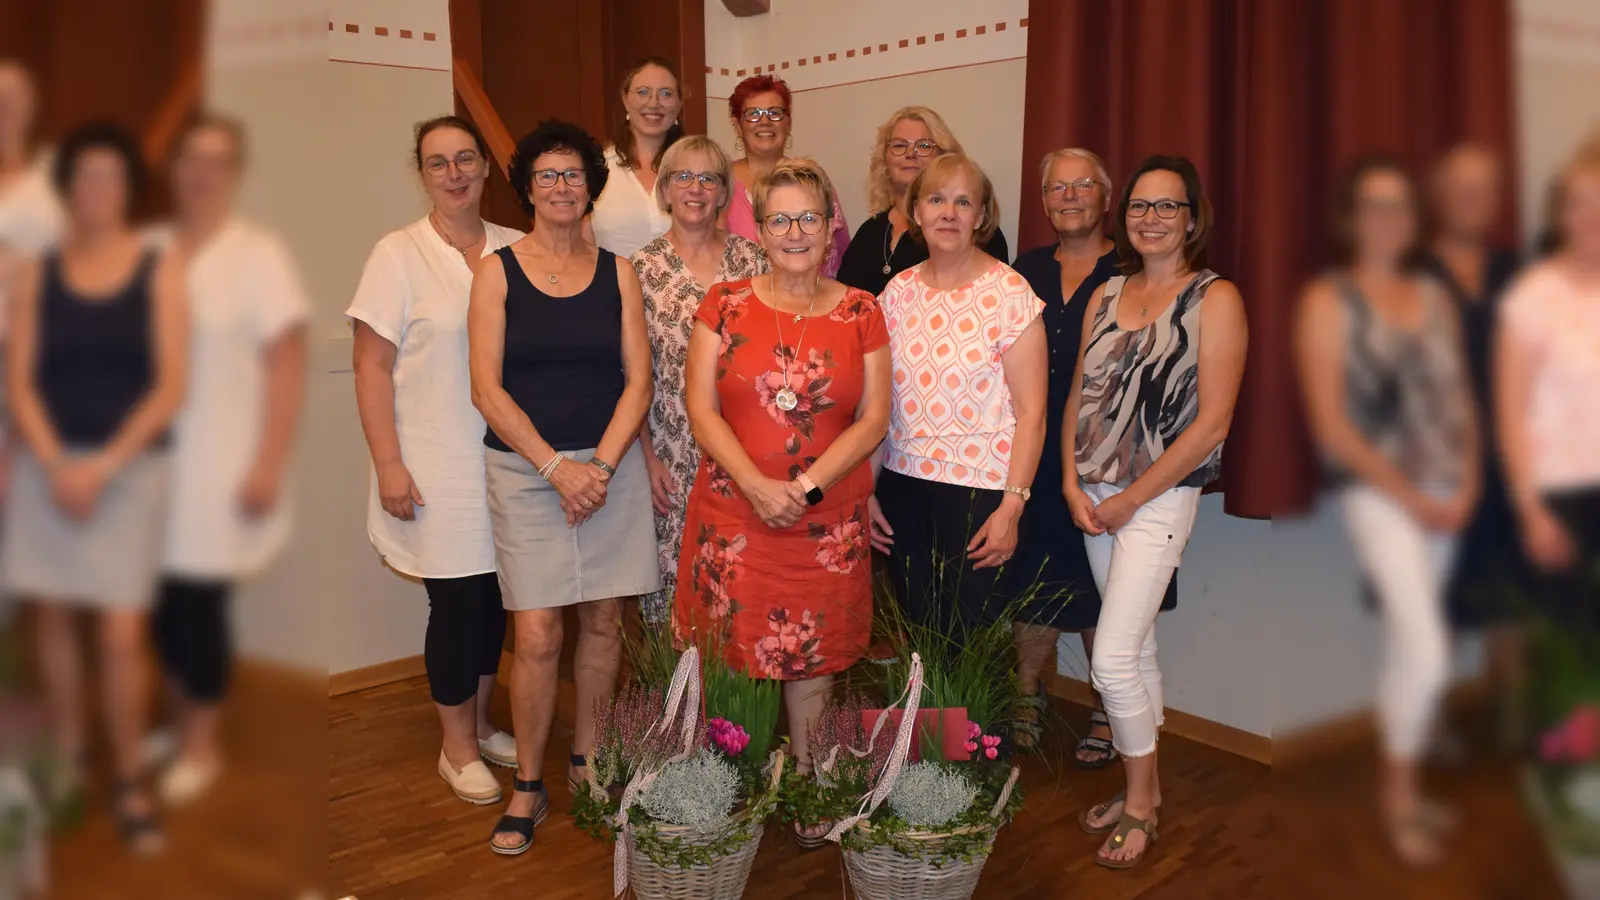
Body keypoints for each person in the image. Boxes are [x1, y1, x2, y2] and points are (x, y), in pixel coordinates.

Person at [673, 157, 890, 841]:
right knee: (727, 656)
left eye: (809, 218)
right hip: (734, 514)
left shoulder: (862, 310)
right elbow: (700, 408)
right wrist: (758, 486)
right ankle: (728, 786)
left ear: (830, 227)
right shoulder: (725, 303)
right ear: (758, 230)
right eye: (780, 219)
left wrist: (804, 488)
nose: (795, 231)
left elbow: (874, 418)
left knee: (813, 659)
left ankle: (809, 785)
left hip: (825, 522)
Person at [470, 119, 658, 856]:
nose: (559, 187)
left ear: (590, 188)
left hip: (610, 469)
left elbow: (638, 380)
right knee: (540, 633)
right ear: (526, 188)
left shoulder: (620, 271)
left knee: (606, 624)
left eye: (571, 175)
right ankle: (527, 781)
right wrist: (557, 468)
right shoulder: (497, 271)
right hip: (527, 471)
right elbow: (486, 388)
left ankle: (588, 761)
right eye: (545, 175)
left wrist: (601, 469)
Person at [1, 122, 189, 856]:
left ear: (128, 190)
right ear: (68, 190)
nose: (98, 192)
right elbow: (19, 381)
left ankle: (132, 781)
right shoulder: (34, 273)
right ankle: (73, 756)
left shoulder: (159, 268)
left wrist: (101, 467)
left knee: (118, 634)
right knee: (53, 622)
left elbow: (170, 386)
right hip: (52, 468)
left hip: (130, 469)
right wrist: (55, 465)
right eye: (85, 178)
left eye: (112, 178)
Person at [1296, 156, 1476, 866]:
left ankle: (1403, 786)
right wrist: (1413, 499)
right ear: (1350, 218)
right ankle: (1399, 801)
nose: (1389, 220)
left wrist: (1465, 487)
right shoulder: (1328, 300)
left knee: (1417, 645)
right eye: (1374, 206)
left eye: (1400, 206)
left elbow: (1462, 398)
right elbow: (1333, 426)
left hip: (1445, 492)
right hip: (1379, 496)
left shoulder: (1434, 296)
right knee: (1429, 653)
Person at [1071, 156, 1247, 869]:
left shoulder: (1216, 298)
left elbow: (1212, 424)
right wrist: (1066, 484)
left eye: (1166, 207)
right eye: (1140, 206)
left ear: (1191, 217)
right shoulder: (1105, 293)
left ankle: (1141, 802)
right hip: (1092, 497)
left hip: (1155, 499)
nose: (1150, 218)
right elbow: (1076, 398)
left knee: (1110, 661)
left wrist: (1129, 501)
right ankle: (1142, 785)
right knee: (1134, 650)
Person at [348, 116, 523, 808]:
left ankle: (480, 725)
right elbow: (370, 366)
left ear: (485, 168)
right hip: (433, 467)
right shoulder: (398, 254)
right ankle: (455, 749)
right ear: (422, 175)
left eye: (464, 160)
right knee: (454, 605)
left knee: (494, 605)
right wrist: (388, 463)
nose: (453, 173)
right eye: (436, 163)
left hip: (508, 466)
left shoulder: (517, 248)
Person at [143, 114, 309, 806]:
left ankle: (201, 743)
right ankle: (181, 718)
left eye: (218, 161)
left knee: (199, 603)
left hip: (219, 465)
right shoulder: (145, 247)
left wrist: (268, 462)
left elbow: (288, 364)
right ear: (174, 168)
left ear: (234, 174)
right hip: (141, 466)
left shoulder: (256, 256)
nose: (203, 173)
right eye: (192, 158)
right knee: (155, 606)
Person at [1004, 148, 1177, 764]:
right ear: (1044, 200)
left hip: (1108, 461)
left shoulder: (1133, 269)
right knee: (1033, 577)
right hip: (1030, 450)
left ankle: (1108, 707)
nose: (1069, 196)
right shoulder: (1022, 269)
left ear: (1107, 198)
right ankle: (1027, 693)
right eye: (1056, 187)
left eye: (1083, 185)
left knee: (1102, 585)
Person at [868, 153, 1047, 642]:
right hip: (903, 484)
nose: (949, 212)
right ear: (916, 212)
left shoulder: (1010, 293)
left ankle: (980, 725)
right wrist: (867, 488)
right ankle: (925, 723)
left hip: (980, 491)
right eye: (937, 199)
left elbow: (1033, 414)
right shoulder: (896, 293)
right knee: (921, 636)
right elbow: (879, 404)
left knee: (973, 642)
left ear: (982, 216)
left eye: (963, 201)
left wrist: (1011, 510)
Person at [632, 135, 768, 624]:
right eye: (682, 177)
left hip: (745, 457)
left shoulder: (754, 263)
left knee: (742, 597)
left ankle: (737, 705)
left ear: (723, 193)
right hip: (669, 458)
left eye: (708, 178)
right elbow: (630, 376)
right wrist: (645, 459)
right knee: (673, 602)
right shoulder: (639, 270)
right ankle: (676, 703)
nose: (695, 188)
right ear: (665, 190)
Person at [1496, 140, 1600, 633]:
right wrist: (1532, 511)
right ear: (1560, 213)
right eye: (1578, 201)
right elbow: (1511, 413)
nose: (1590, 214)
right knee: (1572, 655)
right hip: (1561, 500)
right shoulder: (1532, 295)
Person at [835, 106, 1008, 297]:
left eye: (924, 145)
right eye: (899, 145)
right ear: (884, 160)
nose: (911, 153)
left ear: (943, 157)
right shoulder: (868, 233)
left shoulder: (972, 230)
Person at [720, 76, 848, 277]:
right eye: (753, 114)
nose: (765, 122)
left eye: (775, 113)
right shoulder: (719, 185)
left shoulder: (813, 180)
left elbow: (840, 255)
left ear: (788, 123)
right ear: (738, 125)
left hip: (813, 302)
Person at [586, 57, 682, 258]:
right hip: (613, 287)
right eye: (643, 92)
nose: (654, 103)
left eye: (666, 93)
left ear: (679, 103)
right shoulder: (596, 166)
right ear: (625, 99)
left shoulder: (695, 167)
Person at [0, 60, 61, 335]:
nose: (4, 106)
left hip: (39, 333)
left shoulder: (57, 174)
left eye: (13, 97)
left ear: (32, 105)